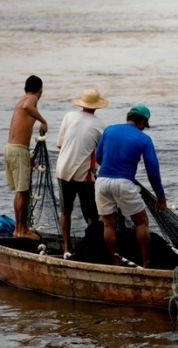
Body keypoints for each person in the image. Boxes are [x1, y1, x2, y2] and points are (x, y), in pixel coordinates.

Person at [95, 105, 167, 268]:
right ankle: (146, 262)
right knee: (141, 222)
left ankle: (116, 262)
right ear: (142, 121)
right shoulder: (144, 139)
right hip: (124, 183)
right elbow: (153, 171)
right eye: (144, 125)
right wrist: (160, 195)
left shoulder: (109, 130)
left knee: (108, 224)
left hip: (102, 180)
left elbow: (98, 157)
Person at [56, 88, 108, 258]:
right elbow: (101, 154)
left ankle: (66, 248)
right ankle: (91, 247)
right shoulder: (100, 125)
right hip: (84, 174)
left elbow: (60, 145)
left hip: (63, 169)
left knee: (66, 211)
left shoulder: (69, 117)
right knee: (91, 214)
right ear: (97, 106)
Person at [4, 75, 48, 240]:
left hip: (11, 149)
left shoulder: (21, 99)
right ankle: (22, 230)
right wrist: (43, 121)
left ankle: (19, 229)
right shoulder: (30, 99)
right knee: (22, 192)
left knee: (20, 192)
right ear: (40, 90)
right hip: (17, 151)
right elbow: (28, 106)